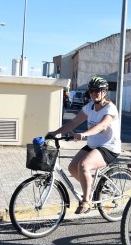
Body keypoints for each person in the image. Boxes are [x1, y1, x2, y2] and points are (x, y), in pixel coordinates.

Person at [47, 76, 121, 214]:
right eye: (91, 91)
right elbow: (73, 122)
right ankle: (91, 186)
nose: (93, 93)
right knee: (73, 167)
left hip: (108, 147)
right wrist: (55, 132)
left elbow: (101, 126)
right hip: (93, 145)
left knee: (84, 165)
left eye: (97, 91)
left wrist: (84, 134)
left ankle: (86, 201)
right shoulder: (89, 107)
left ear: (104, 92)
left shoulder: (110, 109)